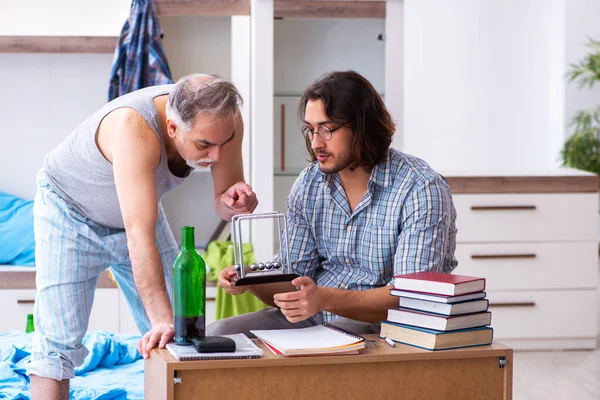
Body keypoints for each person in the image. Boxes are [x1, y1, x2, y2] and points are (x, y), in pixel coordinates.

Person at [28, 74, 258, 400]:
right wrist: (161, 320)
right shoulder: (134, 129)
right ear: (173, 128)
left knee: (183, 333)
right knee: (57, 345)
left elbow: (224, 200)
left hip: (137, 216)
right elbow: (139, 235)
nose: (217, 156)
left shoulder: (225, 119)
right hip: (69, 212)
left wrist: (235, 200)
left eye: (225, 142)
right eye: (205, 145)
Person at [208, 70, 457, 337]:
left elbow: (410, 298)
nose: (315, 143)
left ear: (362, 126)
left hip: (383, 325)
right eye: (310, 129)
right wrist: (249, 279)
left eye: (327, 129)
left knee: (334, 336)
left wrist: (323, 299)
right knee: (219, 333)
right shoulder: (309, 184)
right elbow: (294, 285)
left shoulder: (421, 188)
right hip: (314, 317)